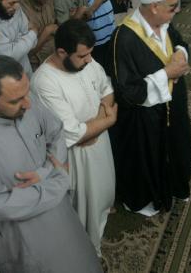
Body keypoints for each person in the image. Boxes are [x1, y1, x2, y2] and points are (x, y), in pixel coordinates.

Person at [0, 55, 102, 273]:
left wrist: (47, 171)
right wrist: (57, 183)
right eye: (15, 101)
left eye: (26, 93)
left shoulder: (25, 100)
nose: (28, 104)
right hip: (23, 233)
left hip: (61, 211)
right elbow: (0, 204)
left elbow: (56, 132)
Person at [108, 0, 191, 216]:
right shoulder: (123, 38)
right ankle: (148, 200)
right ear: (153, 7)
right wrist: (167, 72)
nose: (177, 10)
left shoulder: (163, 21)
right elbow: (127, 92)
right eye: (172, 6)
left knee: (179, 148)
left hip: (173, 107)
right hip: (145, 120)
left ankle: (175, 188)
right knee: (149, 160)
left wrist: (180, 54)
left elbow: (180, 42)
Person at [31, 19, 116, 256]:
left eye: (90, 54)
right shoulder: (44, 81)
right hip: (74, 158)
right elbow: (73, 134)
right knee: (82, 207)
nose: (89, 60)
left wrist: (95, 125)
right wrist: (107, 121)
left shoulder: (84, 61)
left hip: (98, 144)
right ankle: (86, 251)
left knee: (102, 194)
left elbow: (106, 89)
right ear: (61, 52)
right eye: (83, 56)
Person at [19, 0, 57, 70]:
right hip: (35, 66)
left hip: (54, 59)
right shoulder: (18, 9)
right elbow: (27, 53)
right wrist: (47, 31)